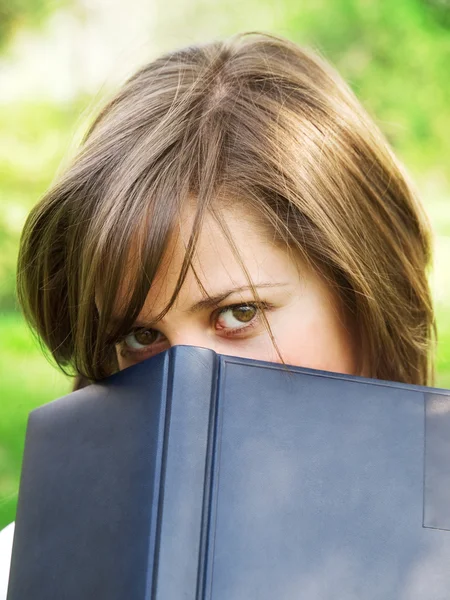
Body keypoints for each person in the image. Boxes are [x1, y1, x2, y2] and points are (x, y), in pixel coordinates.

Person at [0, 32, 435, 597]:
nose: (188, 381)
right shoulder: (22, 570)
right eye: (141, 334)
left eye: (240, 313)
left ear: (363, 293)